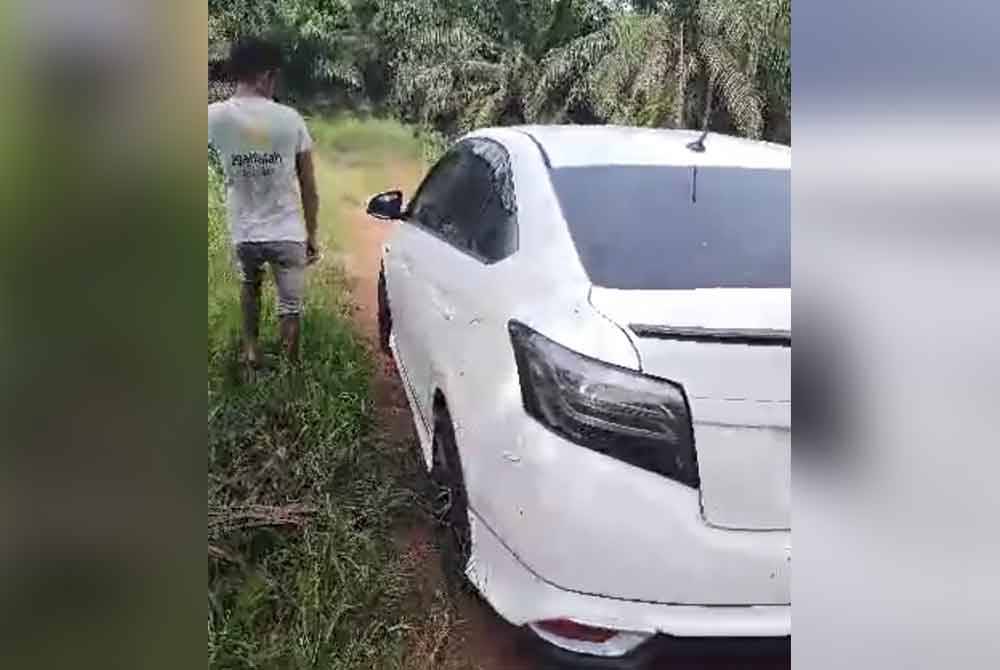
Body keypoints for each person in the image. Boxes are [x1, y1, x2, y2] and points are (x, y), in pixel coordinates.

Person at [208, 37, 319, 366]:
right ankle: (289, 367)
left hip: (245, 232)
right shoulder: (290, 118)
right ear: (264, 76)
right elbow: (309, 185)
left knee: (250, 286)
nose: (275, 84)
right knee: (290, 304)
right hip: (287, 231)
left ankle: (252, 349)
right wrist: (311, 235)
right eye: (274, 77)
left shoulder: (214, 116)